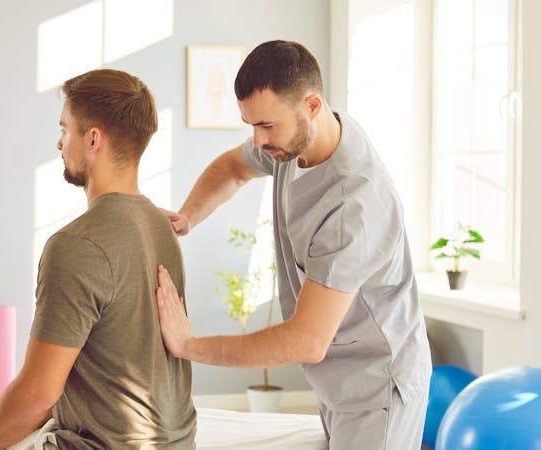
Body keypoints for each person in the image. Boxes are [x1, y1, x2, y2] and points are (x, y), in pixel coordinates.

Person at [156, 40, 432, 449]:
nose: (258, 139)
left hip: (377, 386)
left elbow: (306, 340)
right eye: (251, 125)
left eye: (267, 125)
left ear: (313, 105)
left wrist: (189, 345)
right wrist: (188, 217)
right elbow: (233, 168)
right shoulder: (295, 142)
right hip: (337, 377)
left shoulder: (352, 204)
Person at [0, 69, 196, 450]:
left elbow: (37, 395)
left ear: (93, 138)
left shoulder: (75, 245)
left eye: (65, 129)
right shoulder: (161, 226)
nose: (59, 143)